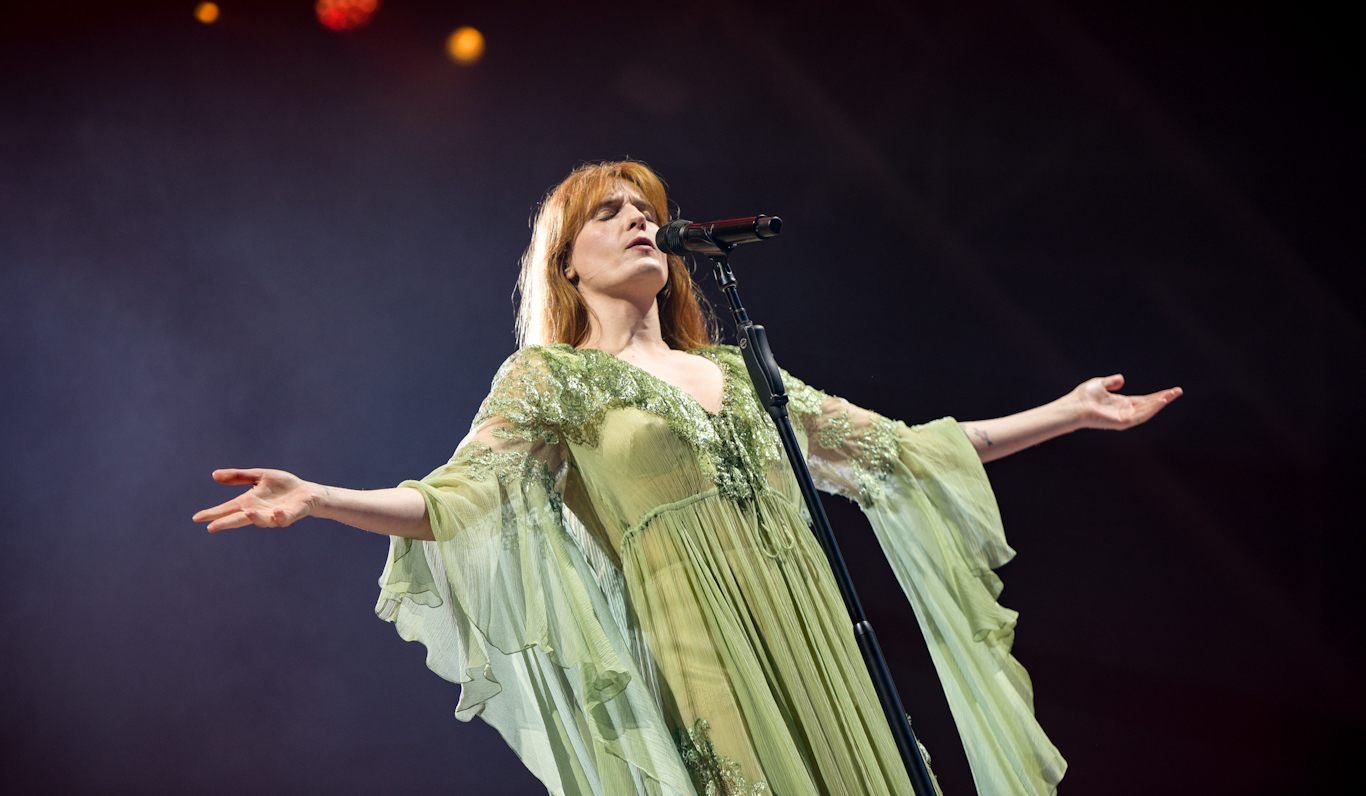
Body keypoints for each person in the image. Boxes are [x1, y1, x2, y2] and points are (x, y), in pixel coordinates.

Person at [194, 161, 1180, 796]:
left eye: (648, 212)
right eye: (609, 214)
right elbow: (453, 501)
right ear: (564, 263)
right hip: (696, 645)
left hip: (812, 632)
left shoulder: (746, 373)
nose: (638, 223)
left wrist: (1067, 411)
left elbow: (899, 450)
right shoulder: (550, 379)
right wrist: (320, 497)